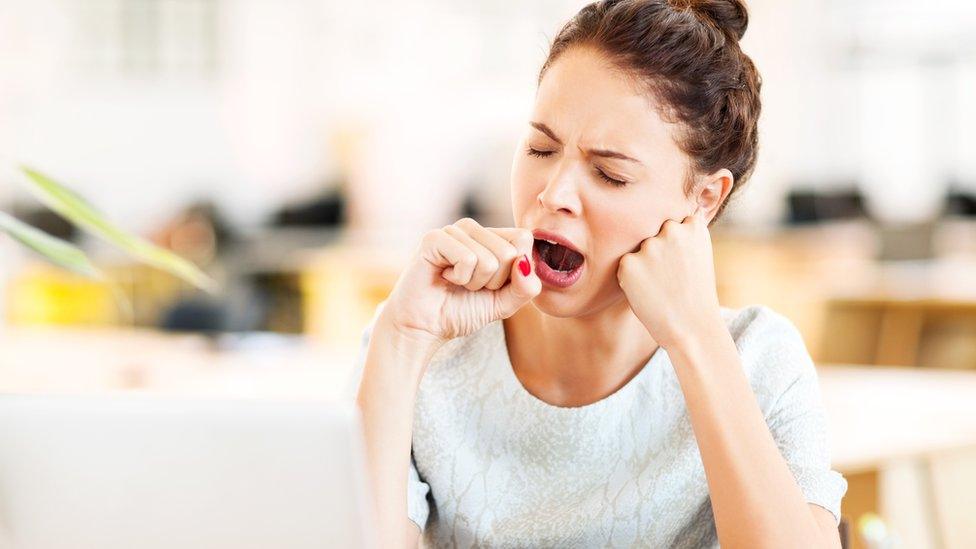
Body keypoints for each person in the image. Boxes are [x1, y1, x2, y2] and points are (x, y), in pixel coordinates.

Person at [351, 1, 848, 547]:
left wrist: (696, 339)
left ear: (704, 199)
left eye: (610, 175)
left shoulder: (758, 356)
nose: (553, 194)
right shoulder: (424, 351)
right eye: (541, 147)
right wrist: (403, 339)